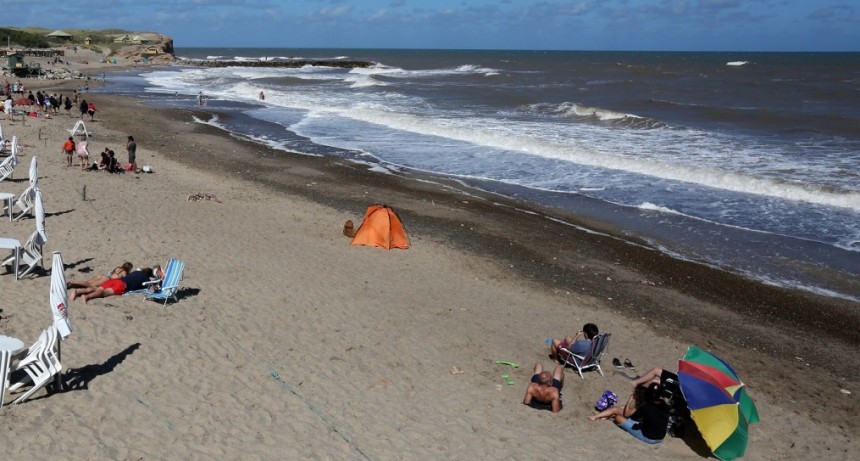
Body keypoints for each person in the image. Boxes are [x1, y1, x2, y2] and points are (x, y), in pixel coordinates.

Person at [589, 382, 670, 444]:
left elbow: (629, 417)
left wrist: (629, 401)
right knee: (619, 412)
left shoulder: (646, 407)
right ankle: (605, 416)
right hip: (661, 436)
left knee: (618, 417)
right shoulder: (665, 405)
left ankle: (595, 417)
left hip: (649, 438)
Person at [70, 267, 153, 304]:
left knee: (96, 288)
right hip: (121, 285)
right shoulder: (146, 278)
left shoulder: (136, 272)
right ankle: (86, 297)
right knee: (103, 293)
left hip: (115, 280)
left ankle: (77, 291)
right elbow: (150, 288)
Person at [67, 262, 134, 289]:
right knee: (90, 285)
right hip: (107, 279)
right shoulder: (124, 272)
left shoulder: (118, 268)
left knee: (87, 282)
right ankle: (73, 282)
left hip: (103, 275)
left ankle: (72, 285)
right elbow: (125, 281)